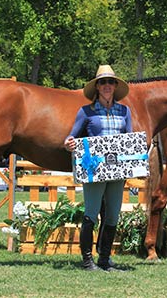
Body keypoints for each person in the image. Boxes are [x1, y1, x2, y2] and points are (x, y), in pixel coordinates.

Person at [64, 64, 132, 271]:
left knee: (112, 214)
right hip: (94, 168)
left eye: (110, 82)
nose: (107, 85)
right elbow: (71, 137)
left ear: (115, 86)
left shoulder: (124, 111)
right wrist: (69, 143)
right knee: (91, 213)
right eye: (103, 82)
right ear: (97, 87)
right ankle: (87, 260)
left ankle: (104, 259)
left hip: (117, 169)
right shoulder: (86, 112)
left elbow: (129, 138)